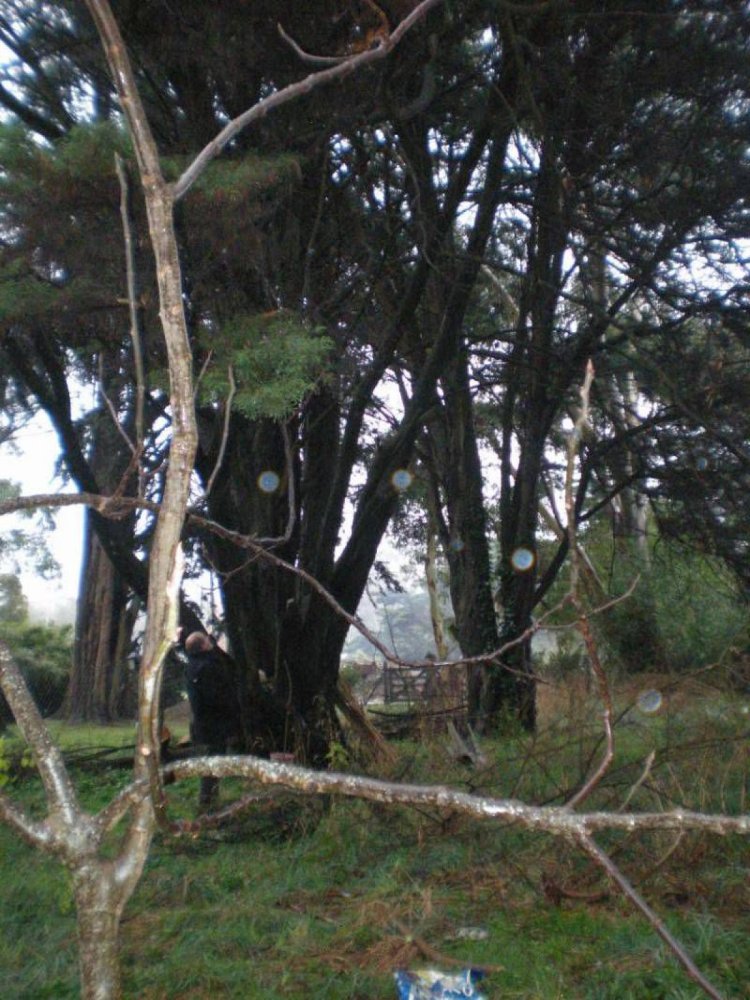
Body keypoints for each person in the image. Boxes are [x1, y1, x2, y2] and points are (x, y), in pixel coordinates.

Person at [183, 631, 243, 811]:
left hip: (202, 723)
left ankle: (209, 799)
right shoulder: (210, 666)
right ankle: (208, 802)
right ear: (203, 645)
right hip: (216, 723)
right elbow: (218, 697)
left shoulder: (192, 667)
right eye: (207, 641)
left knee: (211, 760)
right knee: (215, 761)